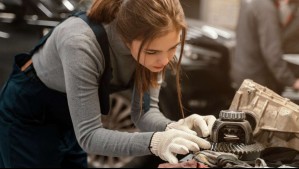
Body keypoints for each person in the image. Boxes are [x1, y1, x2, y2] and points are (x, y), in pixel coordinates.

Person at [0, 0, 216, 167]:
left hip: (67, 116)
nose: (164, 60)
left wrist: (174, 127)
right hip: (28, 116)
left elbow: (143, 113)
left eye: (172, 48)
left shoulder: (156, 49)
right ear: (125, 37)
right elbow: (89, 135)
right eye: (152, 51)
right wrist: (156, 142)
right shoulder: (80, 44)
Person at [230, 0, 299, 94]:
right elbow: (271, 51)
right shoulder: (266, 9)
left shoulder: (251, 2)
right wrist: (291, 81)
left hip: (243, 71)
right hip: (258, 79)